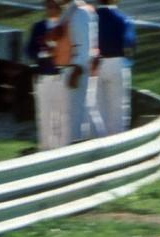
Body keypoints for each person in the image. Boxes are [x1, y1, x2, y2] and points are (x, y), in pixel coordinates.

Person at [55, 0, 103, 143]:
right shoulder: (73, 10)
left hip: (77, 68)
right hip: (75, 67)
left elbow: (84, 46)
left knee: (76, 116)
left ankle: (75, 149)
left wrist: (77, 69)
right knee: (87, 111)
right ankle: (103, 145)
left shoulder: (80, 13)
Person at [26, 0, 68, 150]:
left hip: (61, 76)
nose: (51, 9)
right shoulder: (38, 27)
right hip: (44, 76)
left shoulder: (65, 26)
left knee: (62, 116)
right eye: (48, 5)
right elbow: (29, 51)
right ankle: (45, 149)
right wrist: (43, 53)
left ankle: (62, 149)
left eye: (54, 6)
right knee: (44, 115)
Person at [95, 0, 136, 135]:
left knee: (98, 111)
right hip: (117, 63)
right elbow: (129, 45)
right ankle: (118, 143)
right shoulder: (123, 19)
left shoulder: (92, 18)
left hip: (95, 64)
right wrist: (128, 63)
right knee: (118, 110)